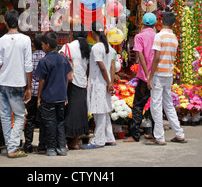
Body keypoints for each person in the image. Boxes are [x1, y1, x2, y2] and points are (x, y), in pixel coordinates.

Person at [0, 9, 33, 158]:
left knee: (6, 116)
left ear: (6, 24)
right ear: (19, 23)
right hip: (17, 83)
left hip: (2, 82)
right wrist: (29, 87)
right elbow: (28, 66)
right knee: (20, 115)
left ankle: (11, 146)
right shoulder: (25, 40)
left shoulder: (1, 40)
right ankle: (12, 147)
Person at [147, 12, 186, 146]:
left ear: (161, 22)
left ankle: (159, 137)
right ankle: (179, 133)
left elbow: (156, 58)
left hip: (158, 74)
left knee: (156, 106)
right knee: (168, 105)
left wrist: (150, 77)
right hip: (168, 74)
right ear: (173, 24)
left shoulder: (159, 36)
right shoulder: (174, 38)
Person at [35, 32, 72, 156]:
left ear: (47, 45)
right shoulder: (63, 59)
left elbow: (42, 80)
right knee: (60, 122)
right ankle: (61, 147)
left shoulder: (44, 61)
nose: (42, 46)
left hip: (48, 97)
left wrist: (39, 96)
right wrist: (65, 94)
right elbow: (67, 77)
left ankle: (51, 148)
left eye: (43, 44)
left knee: (50, 122)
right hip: (61, 96)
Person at [83, 21, 116, 149]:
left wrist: (108, 83)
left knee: (99, 111)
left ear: (91, 33)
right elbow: (112, 66)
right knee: (104, 111)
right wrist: (111, 83)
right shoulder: (109, 47)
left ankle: (99, 140)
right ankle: (109, 137)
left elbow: (102, 67)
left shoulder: (97, 47)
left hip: (99, 82)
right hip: (106, 82)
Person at [124, 13, 157, 143]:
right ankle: (155, 133)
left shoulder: (140, 36)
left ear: (142, 23)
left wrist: (147, 75)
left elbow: (140, 55)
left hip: (145, 77)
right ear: (154, 24)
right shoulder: (157, 36)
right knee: (155, 104)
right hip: (157, 76)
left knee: (138, 105)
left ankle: (135, 134)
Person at [59, 26, 91, 150]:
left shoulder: (67, 47)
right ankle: (75, 142)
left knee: (67, 112)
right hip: (82, 83)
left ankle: (65, 142)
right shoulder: (86, 49)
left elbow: (61, 64)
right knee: (79, 113)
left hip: (69, 84)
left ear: (73, 34)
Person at [23, 34, 46, 153]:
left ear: (33, 45)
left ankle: (28, 144)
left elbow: (27, 72)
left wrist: (28, 88)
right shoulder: (46, 57)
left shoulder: (30, 57)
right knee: (43, 119)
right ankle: (42, 144)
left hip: (31, 90)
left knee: (30, 118)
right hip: (43, 92)